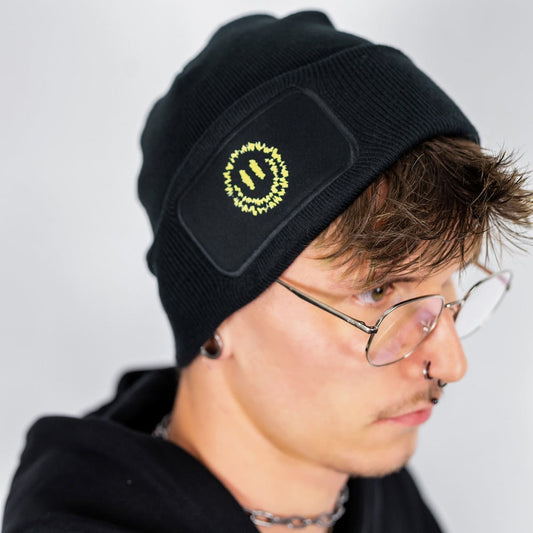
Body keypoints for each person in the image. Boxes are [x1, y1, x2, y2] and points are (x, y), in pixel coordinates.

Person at [3, 10, 532, 533]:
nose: (451, 364)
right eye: (377, 292)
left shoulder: (386, 504)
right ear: (215, 315)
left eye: (449, 283)